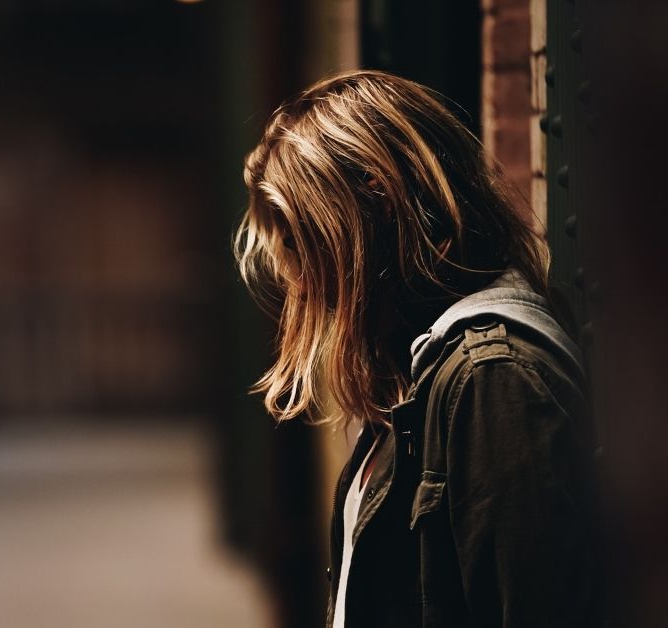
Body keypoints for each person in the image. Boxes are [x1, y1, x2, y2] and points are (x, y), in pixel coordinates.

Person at [234, 69, 605, 627]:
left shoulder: (493, 377)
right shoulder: (419, 370)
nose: (301, 281)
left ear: (377, 202)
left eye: (301, 240)